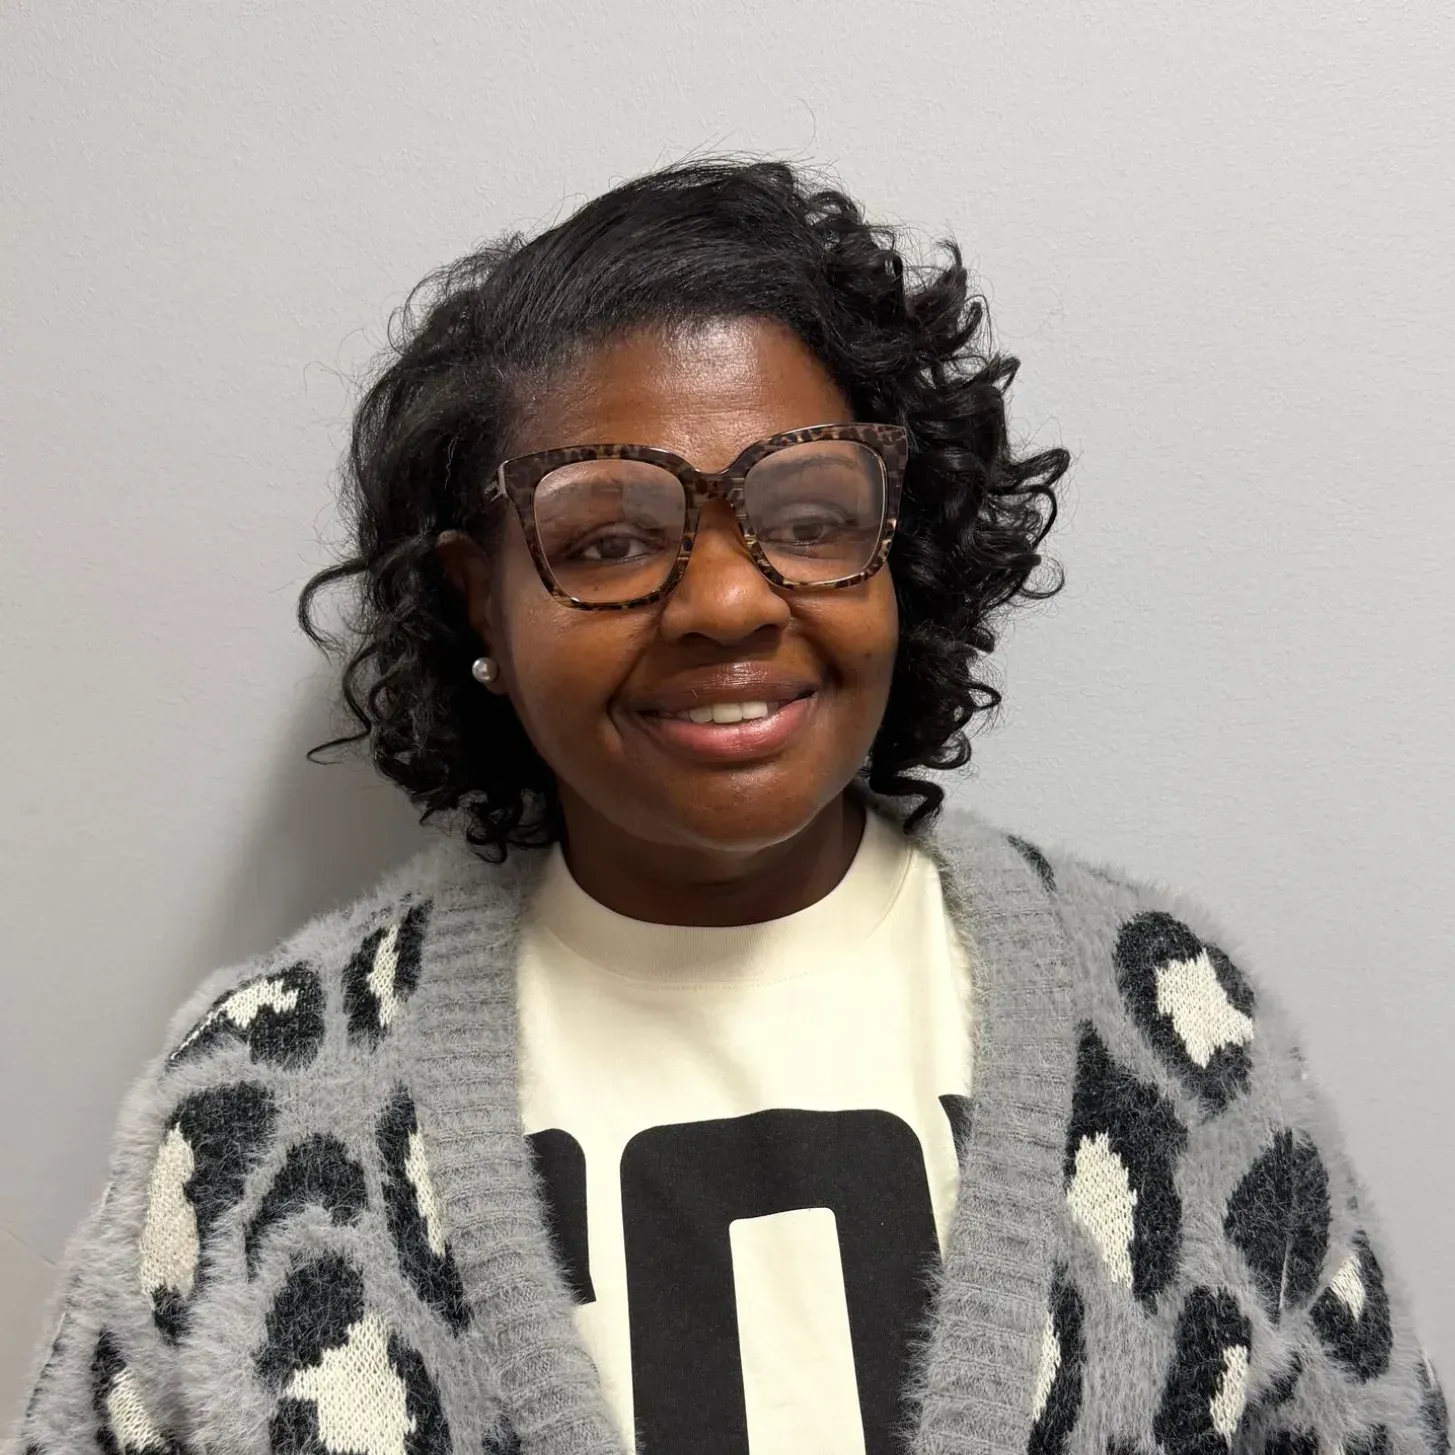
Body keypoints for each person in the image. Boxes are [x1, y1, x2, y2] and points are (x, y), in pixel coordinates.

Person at [11, 158, 1447, 1455]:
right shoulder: (268, 1092)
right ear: (482, 604)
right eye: (608, 537)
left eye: (808, 516)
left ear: (901, 551)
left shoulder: (1162, 1026)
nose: (723, 599)